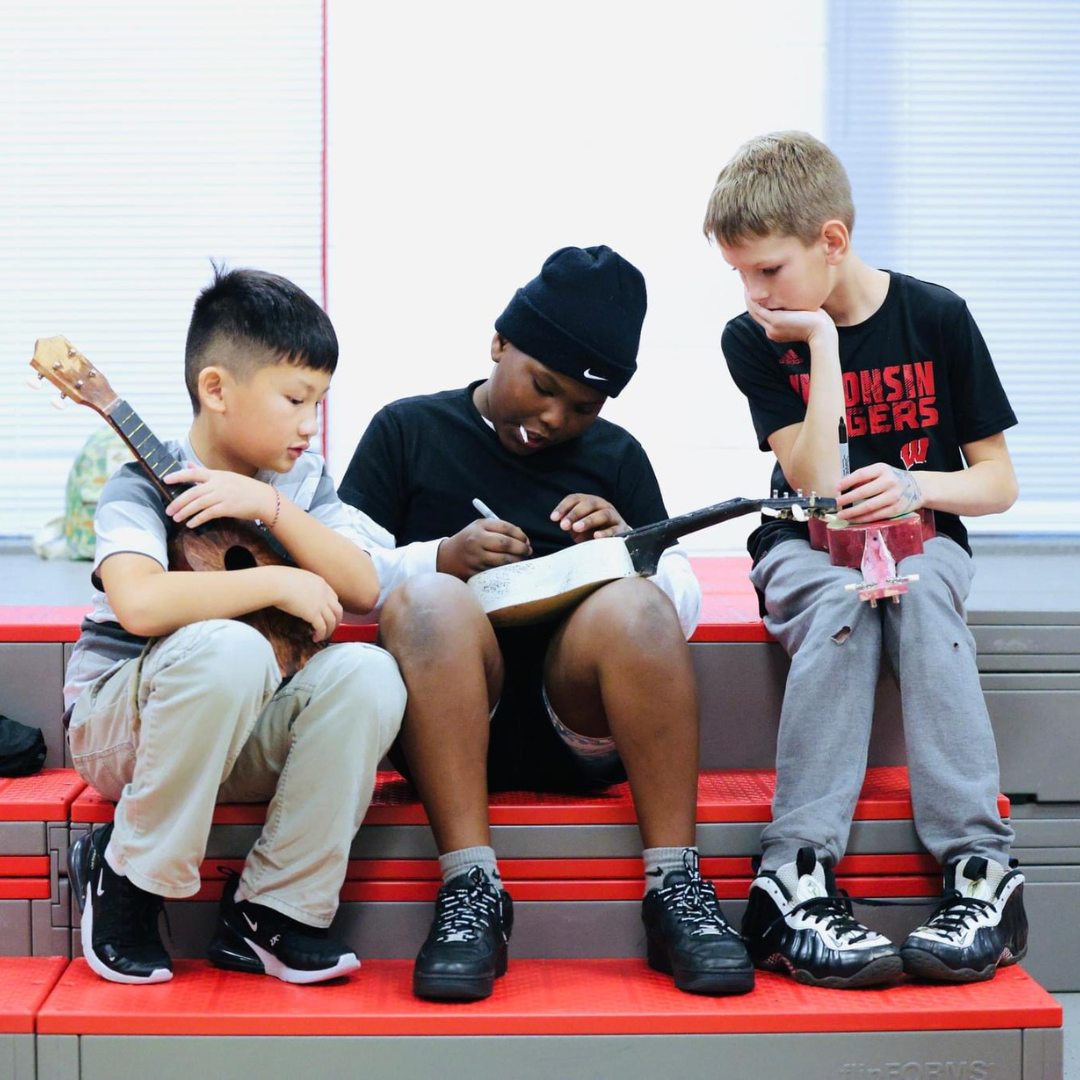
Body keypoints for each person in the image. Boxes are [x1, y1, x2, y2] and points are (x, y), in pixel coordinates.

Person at [339, 245, 754, 1001]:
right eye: (541, 386)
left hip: (580, 728)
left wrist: (633, 549)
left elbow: (678, 611)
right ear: (498, 344)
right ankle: (471, 891)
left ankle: (676, 890)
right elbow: (343, 572)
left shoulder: (616, 457)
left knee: (636, 602)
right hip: (447, 724)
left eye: (582, 408)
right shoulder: (407, 431)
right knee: (429, 600)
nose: (555, 419)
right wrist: (440, 557)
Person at [704, 131, 1026, 988]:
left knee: (914, 595)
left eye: (767, 270)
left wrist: (918, 487)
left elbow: (996, 484)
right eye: (739, 273)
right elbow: (813, 478)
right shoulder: (758, 339)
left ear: (832, 241)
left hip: (924, 542)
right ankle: (794, 877)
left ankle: (983, 876)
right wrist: (824, 345)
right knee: (849, 603)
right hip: (801, 544)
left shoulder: (938, 317)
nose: (752, 291)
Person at [63, 267, 406, 985]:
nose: (310, 425)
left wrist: (271, 508)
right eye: (294, 399)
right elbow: (140, 605)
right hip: (124, 728)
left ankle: (272, 913)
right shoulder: (137, 485)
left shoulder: (302, 485)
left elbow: (366, 585)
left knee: (369, 672)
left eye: (319, 401)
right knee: (230, 648)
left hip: (240, 727)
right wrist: (276, 578)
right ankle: (128, 876)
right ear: (216, 389)